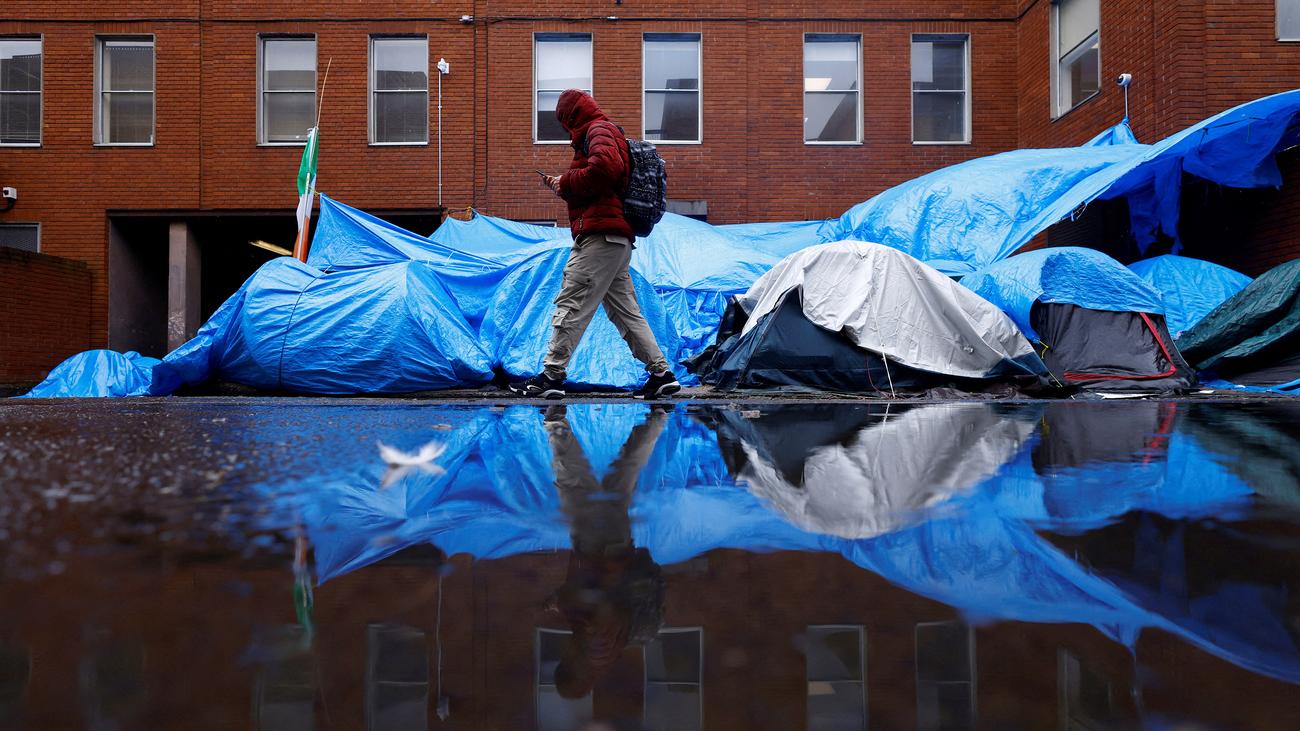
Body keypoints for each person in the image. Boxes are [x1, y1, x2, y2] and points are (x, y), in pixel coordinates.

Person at [510, 89, 681, 400]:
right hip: (616, 239)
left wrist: (566, 182)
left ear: (572, 116)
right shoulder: (603, 132)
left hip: (600, 238)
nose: (565, 129)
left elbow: (604, 170)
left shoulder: (598, 130)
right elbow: (603, 174)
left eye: (564, 121)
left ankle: (551, 376)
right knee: (626, 313)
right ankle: (662, 374)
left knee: (572, 303)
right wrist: (563, 184)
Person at [542, 404, 668, 700]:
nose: (562, 655)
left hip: (611, 548)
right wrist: (561, 599)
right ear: (571, 669)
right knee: (575, 482)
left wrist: (558, 604)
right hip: (603, 550)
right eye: (563, 662)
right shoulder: (596, 649)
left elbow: (590, 610)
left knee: (621, 478)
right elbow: (601, 598)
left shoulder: (600, 656)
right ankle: (555, 423)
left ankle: (655, 422)